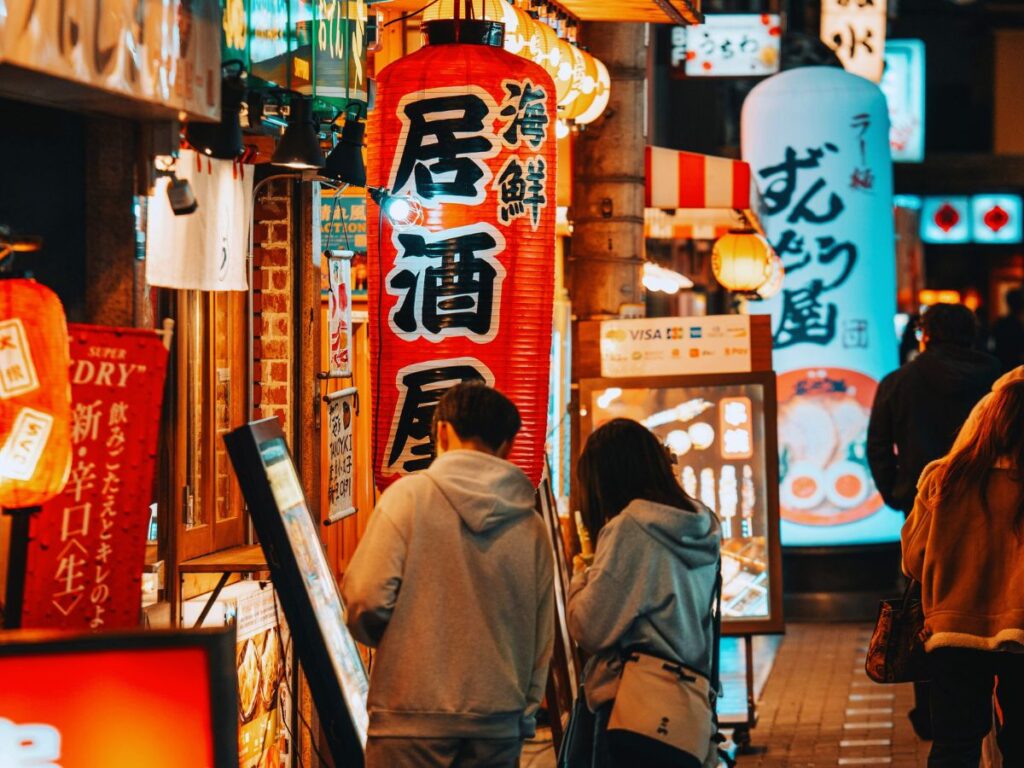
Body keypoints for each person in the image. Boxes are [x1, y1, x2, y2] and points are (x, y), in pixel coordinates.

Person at [341, 382, 554, 768]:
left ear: (441, 431)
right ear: (507, 445)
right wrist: (520, 714)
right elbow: (542, 635)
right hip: (497, 724)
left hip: (410, 720)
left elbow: (365, 599)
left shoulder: (408, 499)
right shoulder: (531, 524)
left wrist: (394, 645)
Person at [866, 302, 1000, 738]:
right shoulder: (1000, 382)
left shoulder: (900, 382)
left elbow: (878, 446)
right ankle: (998, 698)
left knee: (928, 607)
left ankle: (935, 710)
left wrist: (899, 493)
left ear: (924, 334)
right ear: (972, 334)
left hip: (929, 510)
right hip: (1000, 508)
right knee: (996, 601)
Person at [567, 418, 721, 768]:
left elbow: (591, 627)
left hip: (634, 708)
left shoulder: (630, 528)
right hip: (686, 703)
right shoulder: (701, 522)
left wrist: (582, 572)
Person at [902, 378, 1024, 767]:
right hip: (1021, 632)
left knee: (955, 745)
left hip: (952, 633)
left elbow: (913, 560)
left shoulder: (944, 477)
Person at [991, 287, 1024, 373]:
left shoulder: (1000, 323)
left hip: (1001, 369)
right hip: (1016, 370)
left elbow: (993, 347)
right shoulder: (1018, 325)